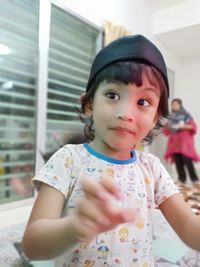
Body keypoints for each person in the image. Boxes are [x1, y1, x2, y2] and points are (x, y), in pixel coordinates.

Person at [22, 35, 200, 266]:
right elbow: (32, 245)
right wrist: (75, 226)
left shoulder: (152, 168)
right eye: (112, 95)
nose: (126, 113)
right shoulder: (68, 160)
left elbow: (188, 227)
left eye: (143, 102)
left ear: (155, 116)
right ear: (89, 104)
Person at [163, 98, 200, 184]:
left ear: (180, 105)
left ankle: (195, 179)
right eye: (173, 104)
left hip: (184, 142)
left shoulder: (186, 115)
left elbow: (193, 127)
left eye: (176, 104)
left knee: (187, 160)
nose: (174, 106)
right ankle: (181, 179)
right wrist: (166, 126)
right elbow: (166, 131)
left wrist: (182, 126)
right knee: (178, 161)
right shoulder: (171, 117)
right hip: (174, 142)